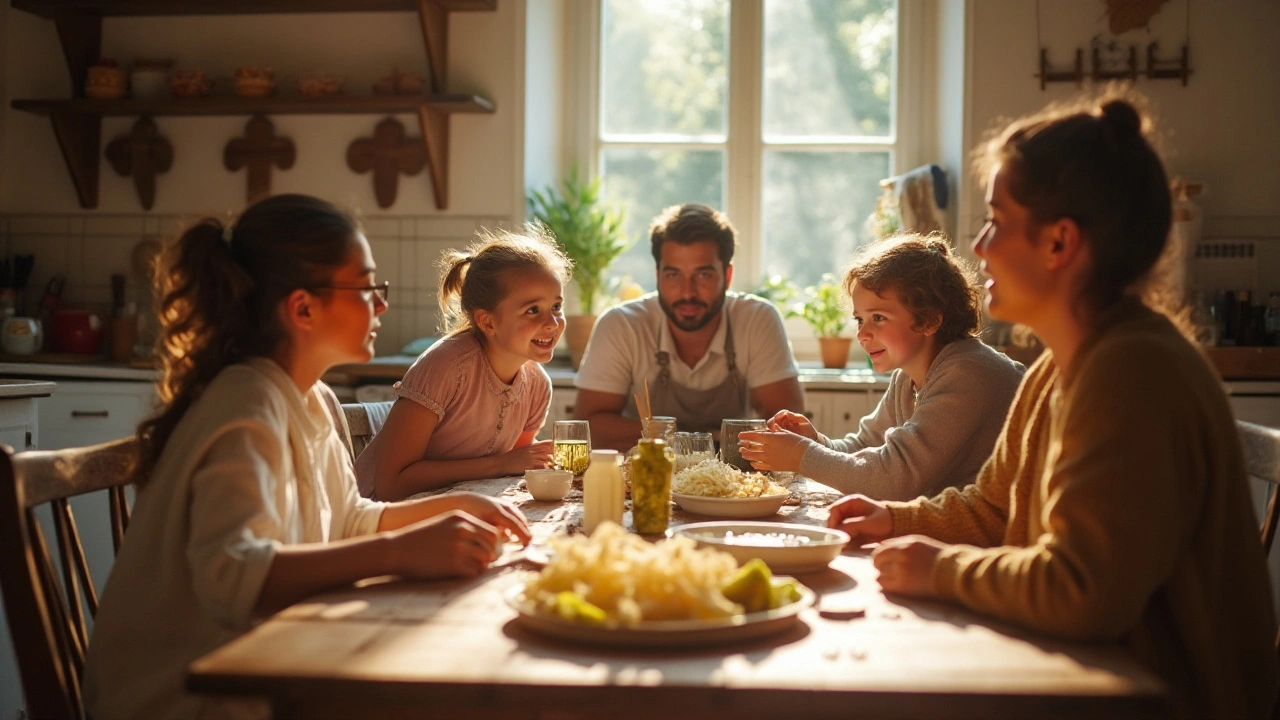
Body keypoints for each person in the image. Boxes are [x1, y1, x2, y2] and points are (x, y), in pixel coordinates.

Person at [828, 96, 1278, 718]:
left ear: (1060, 242)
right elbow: (992, 507)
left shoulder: (1133, 371)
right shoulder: (1055, 368)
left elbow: (1084, 591)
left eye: (997, 222)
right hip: (1078, 670)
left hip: (1155, 695)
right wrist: (897, 518)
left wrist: (941, 571)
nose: (979, 247)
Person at [82, 195, 532, 720]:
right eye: (367, 287)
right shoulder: (246, 403)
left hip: (269, 671)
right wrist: (398, 552)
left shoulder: (311, 396)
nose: (381, 304)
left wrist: (455, 509)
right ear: (302, 308)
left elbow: (348, 520)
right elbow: (232, 575)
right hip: (186, 697)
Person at [738, 233, 1024, 499]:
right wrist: (816, 441)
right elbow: (865, 447)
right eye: (860, 319)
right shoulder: (907, 377)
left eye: (878, 318)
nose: (862, 334)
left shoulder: (969, 374)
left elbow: (892, 478)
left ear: (929, 320)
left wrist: (802, 455)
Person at [355, 227, 569, 499]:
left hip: (458, 515)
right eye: (532, 310)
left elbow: (516, 469)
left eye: (557, 307)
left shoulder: (537, 386)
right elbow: (391, 484)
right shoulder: (446, 367)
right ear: (487, 322)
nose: (552, 323)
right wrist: (502, 463)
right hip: (381, 520)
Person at [574, 203, 804, 449]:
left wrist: (663, 433)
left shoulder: (757, 320)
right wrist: (697, 437)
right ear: (657, 275)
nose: (687, 292)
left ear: (727, 276)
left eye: (703, 275)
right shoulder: (622, 325)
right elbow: (589, 429)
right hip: (647, 476)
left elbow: (789, 429)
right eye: (673, 275)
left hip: (736, 479)